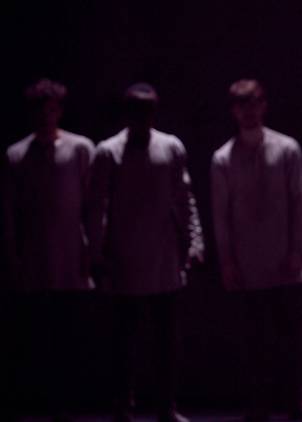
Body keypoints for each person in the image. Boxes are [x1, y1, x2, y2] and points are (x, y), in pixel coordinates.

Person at [210, 79, 302, 421]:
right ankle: (257, 406)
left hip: (284, 260)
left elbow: (298, 201)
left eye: (253, 103)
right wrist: (227, 260)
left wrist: (296, 250)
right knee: (253, 339)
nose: (248, 111)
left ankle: (295, 403)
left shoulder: (286, 148)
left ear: (263, 105)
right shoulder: (223, 158)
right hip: (246, 261)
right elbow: (220, 213)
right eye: (241, 105)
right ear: (233, 110)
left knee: (290, 337)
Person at [87, 83, 198, 422]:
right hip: (125, 260)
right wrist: (97, 252)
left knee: (165, 342)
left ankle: (165, 407)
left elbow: (185, 198)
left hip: (163, 260)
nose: (143, 118)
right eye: (137, 111)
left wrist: (194, 242)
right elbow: (97, 207)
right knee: (124, 342)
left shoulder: (170, 146)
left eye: (149, 110)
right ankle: (123, 407)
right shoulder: (108, 151)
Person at [4, 78, 96, 422]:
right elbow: (9, 211)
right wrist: (13, 255)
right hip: (35, 257)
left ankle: (70, 405)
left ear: (59, 110)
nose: (46, 117)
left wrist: (93, 248)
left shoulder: (80, 149)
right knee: (38, 333)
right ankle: (44, 405)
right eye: (40, 111)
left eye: (51, 110)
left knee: (69, 331)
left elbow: (93, 204)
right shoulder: (16, 155)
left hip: (71, 255)